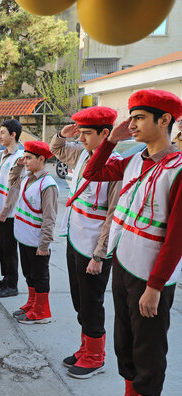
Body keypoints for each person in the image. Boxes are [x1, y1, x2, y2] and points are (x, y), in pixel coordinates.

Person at [83, 89, 182, 396]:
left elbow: (176, 239)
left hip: (151, 275)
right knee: (124, 341)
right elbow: (93, 173)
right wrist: (111, 140)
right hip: (123, 263)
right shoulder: (133, 160)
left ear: (164, 119)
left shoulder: (177, 170)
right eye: (132, 117)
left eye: (139, 118)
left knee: (148, 348)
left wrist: (154, 287)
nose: (133, 124)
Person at [51, 107, 122, 379]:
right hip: (75, 238)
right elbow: (56, 148)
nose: (80, 138)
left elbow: (114, 214)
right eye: (79, 132)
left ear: (106, 134)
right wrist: (62, 133)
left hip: (94, 247)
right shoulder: (83, 155)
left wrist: (100, 254)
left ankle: (95, 357)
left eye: (86, 133)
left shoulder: (114, 165)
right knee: (80, 300)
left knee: (92, 303)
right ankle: (85, 348)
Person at [10, 141, 58, 325]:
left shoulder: (48, 184)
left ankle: (42, 311)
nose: (25, 160)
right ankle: (32, 303)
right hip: (25, 236)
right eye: (25, 157)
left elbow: (49, 217)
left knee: (40, 276)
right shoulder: (28, 178)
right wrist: (18, 166)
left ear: (41, 159)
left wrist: (44, 244)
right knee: (29, 273)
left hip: (38, 241)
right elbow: (12, 183)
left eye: (29, 158)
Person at [0, 120, 24, 298]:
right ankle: (5, 278)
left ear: (13, 134)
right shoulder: (5, 154)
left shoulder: (19, 158)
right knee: (1, 247)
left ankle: (12, 283)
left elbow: (15, 189)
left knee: (9, 249)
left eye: (2, 132)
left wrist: (5, 211)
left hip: (9, 213)